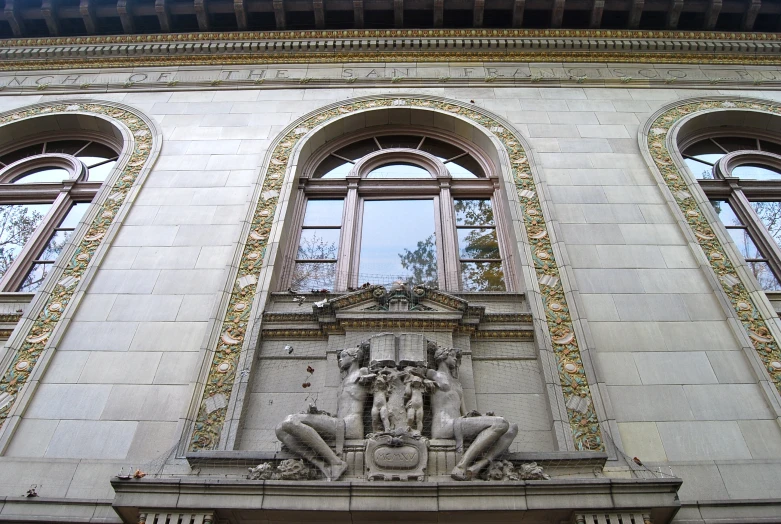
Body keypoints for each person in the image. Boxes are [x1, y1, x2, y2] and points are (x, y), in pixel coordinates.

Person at [275, 345, 372, 480]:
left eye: (343, 356)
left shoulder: (362, 372)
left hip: (351, 426)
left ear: (355, 357)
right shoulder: (344, 381)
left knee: (291, 421)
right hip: (339, 423)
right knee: (280, 429)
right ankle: (322, 464)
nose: (339, 360)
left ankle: (336, 462)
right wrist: (318, 414)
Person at [427, 346, 518, 480]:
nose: (455, 360)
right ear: (443, 356)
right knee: (501, 423)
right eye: (453, 356)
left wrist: (481, 418)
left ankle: (479, 465)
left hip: (458, 423)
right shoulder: (432, 374)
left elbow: (464, 413)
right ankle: (461, 466)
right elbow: (416, 371)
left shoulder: (457, 384)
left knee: (511, 428)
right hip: (443, 426)